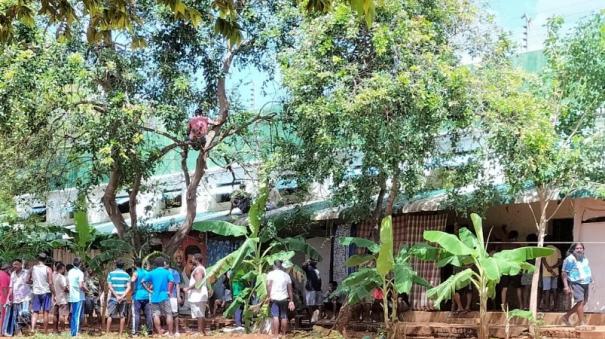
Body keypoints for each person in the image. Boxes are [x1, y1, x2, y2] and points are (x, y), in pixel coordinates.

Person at [561, 243, 592, 326]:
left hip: (586, 283)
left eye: (581, 248)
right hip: (576, 283)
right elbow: (564, 273)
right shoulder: (569, 259)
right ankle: (582, 322)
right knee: (580, 301)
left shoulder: (584, 258)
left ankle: (566, 316)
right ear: (573, 250)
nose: (579, 250)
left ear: (583, 249)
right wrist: (566, 286)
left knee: (583, 302)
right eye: (577, 248)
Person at [143, 257, 174, 336]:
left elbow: (142, 281)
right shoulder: (167, 272)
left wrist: (148, 290)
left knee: (156, 315)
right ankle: (170, 333)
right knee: (169, 314)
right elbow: (172, 281)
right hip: (164, 296)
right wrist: (169, 291)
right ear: (163, 263)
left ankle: (160, 333)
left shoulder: (152, 272)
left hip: (154, 297)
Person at [266, 260, 295, 337]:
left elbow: (269, 286)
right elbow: (290, 289)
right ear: (281, 266)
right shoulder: (286, 275)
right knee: (284, 316)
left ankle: (276, 335)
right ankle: (284, 334)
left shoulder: (271, 274)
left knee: (275, 316)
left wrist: (268, 297)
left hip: (274, 298)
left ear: (274, 266)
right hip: (284, 298)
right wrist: (291, 300)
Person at [5, 259, 31, 336]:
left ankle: (26, 331)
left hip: (25, 298)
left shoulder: (26, 273)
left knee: (25, 314)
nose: (15, 266)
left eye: (16, 264)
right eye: (13, 264)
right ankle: (18, 332)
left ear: (20, 264)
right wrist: (8, 297)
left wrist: (30, 281)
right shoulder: (12, 274)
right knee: (16, 315)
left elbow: (31, 281)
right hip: (16, 298)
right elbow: (10, 287)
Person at [106, 259, 131, 335]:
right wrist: (122, 296)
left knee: (110, 315)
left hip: (114, 297)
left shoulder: (111, 274)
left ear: (116, 265)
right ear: (123, 266)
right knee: (122, 316)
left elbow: (109, 286)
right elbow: (129, 287)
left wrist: (116, 296)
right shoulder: (127, 275)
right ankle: (120, 333)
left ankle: (107, 333)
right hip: (122, 298)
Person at [30, 253, 54, 334]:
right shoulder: (48, 269)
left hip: (36, 292)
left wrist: (34, 282)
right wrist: (54, 293)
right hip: (46, 292)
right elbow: (50, 283)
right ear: (46, 260)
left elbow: (28, 280)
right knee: (45, 312)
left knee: (35, 311)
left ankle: (32, 329)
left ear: (38, 259)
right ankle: (45, 331)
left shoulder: (33, 268)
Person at [186, 253, 208, 336]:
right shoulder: (201, 268)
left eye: (193, 259)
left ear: (196, 259)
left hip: (198, 295)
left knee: (199, 314)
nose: (192, 260)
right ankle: (202, 331)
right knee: (201, 313)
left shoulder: (198, 270)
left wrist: (188, 288)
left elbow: (198, 283)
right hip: (200, 295)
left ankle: (200, 332)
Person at [500, 230, 523, 310]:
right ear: (516, 237)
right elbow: (521, 258)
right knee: (518, 288)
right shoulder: (518, 246)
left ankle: (503, 306)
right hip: (515, 268)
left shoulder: (504, 246)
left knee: (504, 288)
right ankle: (521, 305)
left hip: (505, 269)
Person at [131, 258, 153, 336]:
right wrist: (149, 288)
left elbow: (132, 281)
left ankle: (135, 332)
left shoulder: (136, 273)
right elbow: (151, 282)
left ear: (135, 264)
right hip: (146, 295)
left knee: (136, 314)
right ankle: (150, 331)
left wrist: (132, 290)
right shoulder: (147, 272)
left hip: (137, 296)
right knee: (148, 314)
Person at [541, 235, 562, 311]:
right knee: (554, 289)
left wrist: (549, 268)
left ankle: (547, 307)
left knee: (547, 290)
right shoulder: (557, 250)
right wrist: (553, 268)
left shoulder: (544, 250)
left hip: (546, 273)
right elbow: (560, 262)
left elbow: (543, 260)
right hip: (555, 273)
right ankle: (555, 307)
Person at [67, 257, 86, 337]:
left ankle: (72, 331)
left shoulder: (70, 272)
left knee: (74, 314)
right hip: (78, 296)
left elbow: (68, 283)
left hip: (72, 296)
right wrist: (86, 289)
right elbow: (81, 285)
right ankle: (75, 333)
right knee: (77, 315)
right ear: (80, 264)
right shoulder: (80, 273)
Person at [521, 234, 538, 309]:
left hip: (526, 270)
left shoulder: (525, 249)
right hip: (534, 270)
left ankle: (525, 305)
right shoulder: (537, 249)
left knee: (526, 288)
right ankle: (532, 305)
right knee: (533, 289)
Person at [52, 262, 69, 334]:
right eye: (64, 268)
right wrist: (69, 290)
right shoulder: (62, 277)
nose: (64, 270)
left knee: (55, 314)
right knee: (62, 315)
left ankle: (55, 330)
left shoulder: (54, 276)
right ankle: (62, 329)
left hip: (55, 298)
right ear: (61, 268)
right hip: (62, 298)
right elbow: (65, 288)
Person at [167, 261, 182, 335]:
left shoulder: (175, 272)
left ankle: (177, 331)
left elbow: (177, 285)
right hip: (165, 296)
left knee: (175, 314)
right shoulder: (163, 273)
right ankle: (169, 330)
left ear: (167, 264)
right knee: (167, 314)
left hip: (173, 296)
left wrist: (178, 296)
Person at [0, 264, 11, 331]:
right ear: (7, 268)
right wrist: (6, 300)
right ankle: (1, 330)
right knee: (3, 315)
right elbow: (4, 288)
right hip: (2, 298)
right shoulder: (3, 275)